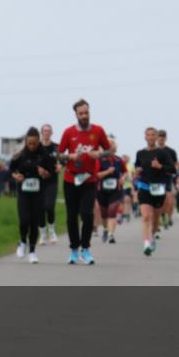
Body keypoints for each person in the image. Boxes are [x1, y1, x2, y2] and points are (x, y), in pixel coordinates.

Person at [57, 99, 111, 265]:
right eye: (81, 113)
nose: (84, 116)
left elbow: (110, 150)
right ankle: (74, 249)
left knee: (87, 214)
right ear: (76, 115)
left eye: (86, 112)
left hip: (89, 179)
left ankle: (85, 249)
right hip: (71, 179)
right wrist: (70, 156)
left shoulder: (98, 130)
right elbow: (59, 154)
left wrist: (99, 154)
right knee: (71, 216)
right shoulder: (68, 132)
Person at [9, 127, 56, 263]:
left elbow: (51, 173)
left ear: (38, 141)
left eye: (35, 143)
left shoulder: (44, 155)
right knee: (24, 220)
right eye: (29, 143)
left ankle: (32, 251)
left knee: (34, 222)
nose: (32, 146)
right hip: (23, 192)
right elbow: (11, 169)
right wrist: (16, 176)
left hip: (39, 192)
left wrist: (45, 173)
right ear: (26, 141)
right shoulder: (20, 154)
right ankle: (23, 242)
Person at [134, 127, 172, 256]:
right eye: (148, 135)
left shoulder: (162, 153)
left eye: (153, 135)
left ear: (156, 137)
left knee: (155, 220)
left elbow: (172, 169)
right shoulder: (140, 153)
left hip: (158, 188)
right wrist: (137, 170)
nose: (150, 137)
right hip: (144, 187)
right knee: (146, 217)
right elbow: (137, 165)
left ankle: (152, 236)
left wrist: (160, 166)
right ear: (145, 137)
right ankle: (146, 244)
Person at [95, 142, 125, 244]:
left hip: (116, 189)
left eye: (113, 147)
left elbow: (125, 172)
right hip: (102, 190)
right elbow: (96, 175)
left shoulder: (119, 160)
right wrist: (107, 172)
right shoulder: (100, 160)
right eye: (109, 147)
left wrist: (123, 178)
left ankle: (111, 234)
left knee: (112, 211)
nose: (112, 149)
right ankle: (105, 229)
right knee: (104, 213)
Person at [38, 124, 60, 245]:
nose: (46, 133)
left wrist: (60, 165)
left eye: (48, 131)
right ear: (41, 132)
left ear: (51, 133)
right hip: (38, 182)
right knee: (40, 208)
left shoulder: (56, 147)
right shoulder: (37, 147)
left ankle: (51, 231)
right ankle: (42, 234)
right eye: (44, 131)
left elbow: (63, 159)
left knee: (49, 206)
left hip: (52, 181)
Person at [156, 130, 179, 233]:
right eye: (159, 136)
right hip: (155, 178)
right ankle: (159, 218)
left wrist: (176, 172)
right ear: (157, 138)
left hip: (167, 177)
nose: (161, 138)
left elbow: (176, 164)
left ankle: (165, 215)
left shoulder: (171, 151)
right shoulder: (152, 150)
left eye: (163, 136)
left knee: (168, 199)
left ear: (165, 138)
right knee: (157, 200)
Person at [121, 154, 134, 223]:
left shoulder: (131, 166)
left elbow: (133, 175)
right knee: (122, 201)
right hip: (121, 185)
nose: (125, 159)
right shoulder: (120, 165)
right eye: (123, 158)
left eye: (126, 158)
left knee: (127, 200)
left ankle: (127, 213)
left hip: (128, 185)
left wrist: (132, 183)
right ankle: (123, 213)